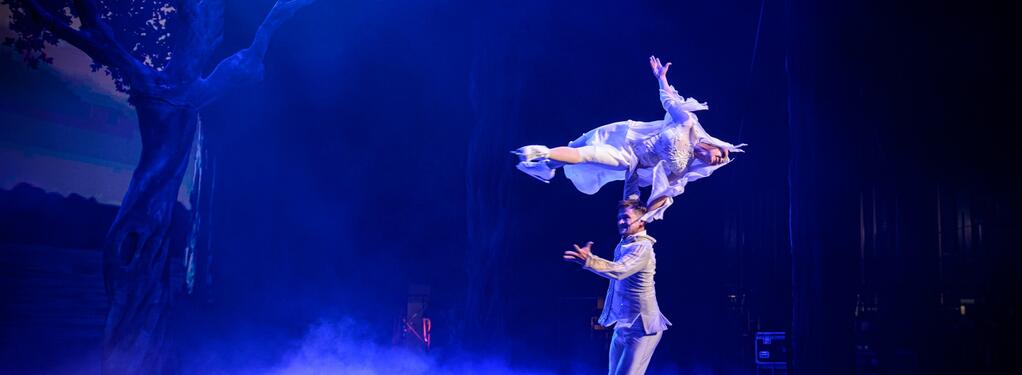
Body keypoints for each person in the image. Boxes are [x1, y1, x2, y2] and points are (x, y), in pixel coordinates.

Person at [513, 55, 746, 222]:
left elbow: (666, 191)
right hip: (627, 137)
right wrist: (661, 77)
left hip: (629, 161)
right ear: (713, 144)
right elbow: (670, 102)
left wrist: (645, 214)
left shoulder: (683, 169)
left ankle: (542, 154)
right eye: (721, 154)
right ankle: (546, 164)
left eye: (720, 163)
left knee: (587, 156)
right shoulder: (686, 123)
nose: (719, 160)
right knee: (580, 146)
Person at [563, 199, 671, 375]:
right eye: (619, 217)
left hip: (641, 329)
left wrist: (590, 261)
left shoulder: (642, 247)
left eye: (626, 217)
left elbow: (620, 270)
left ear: (641, 221)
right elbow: (631, 189)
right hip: (623, 325)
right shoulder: (627, 241)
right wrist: (632, 173)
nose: (621, 221)